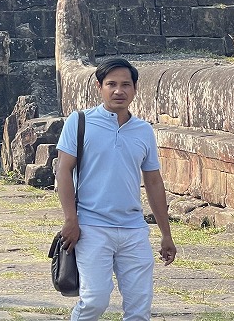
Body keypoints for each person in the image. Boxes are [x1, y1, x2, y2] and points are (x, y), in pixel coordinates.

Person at [55, 57, 177, 321]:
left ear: (135, 89)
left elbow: (154, 182)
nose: (118, 90)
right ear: (99, 87)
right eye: (111, 84)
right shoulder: (79, 122)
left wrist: (166, 234)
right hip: (91, 227)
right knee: (94, 301)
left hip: (134, 229)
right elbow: (63, 171)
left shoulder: (143, 130)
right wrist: (70, 220)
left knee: (139, 309)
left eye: (125, 84)